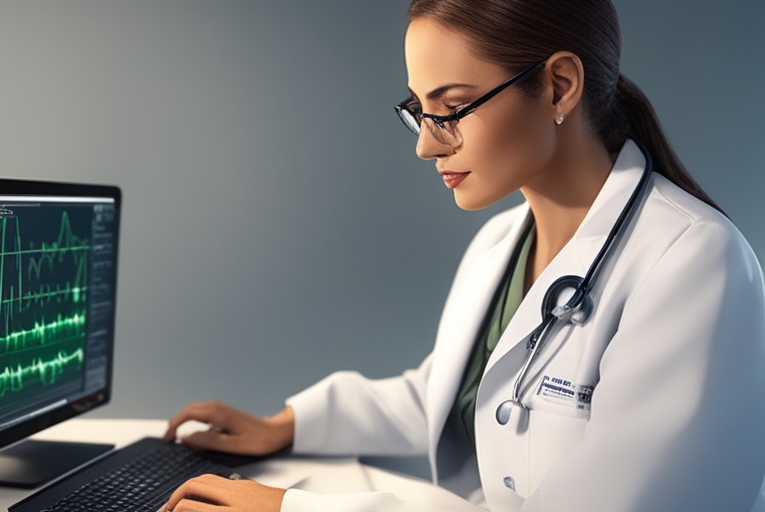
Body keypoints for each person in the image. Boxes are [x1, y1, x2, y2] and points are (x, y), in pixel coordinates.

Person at [159, 0, 765, 510]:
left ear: (559, 86)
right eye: (420, 111)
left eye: (451, 109)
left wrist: (292, 508)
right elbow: (452, 395)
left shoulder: (694, 265)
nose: (426, 144)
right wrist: (283, 426)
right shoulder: (502, 243)